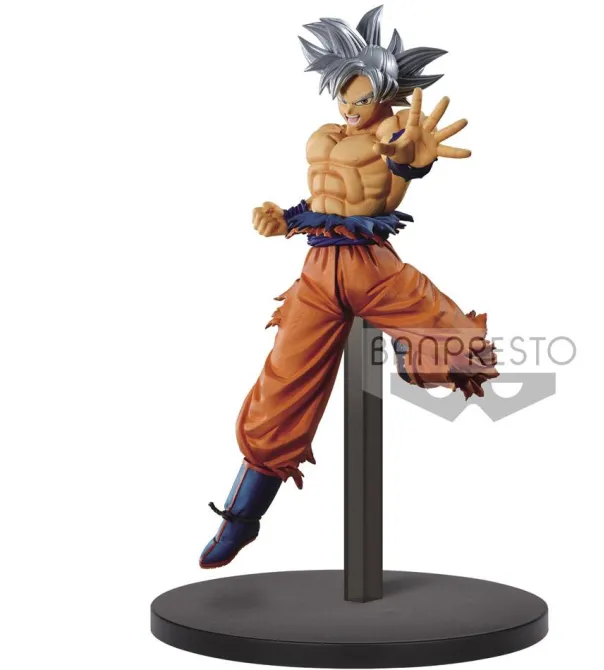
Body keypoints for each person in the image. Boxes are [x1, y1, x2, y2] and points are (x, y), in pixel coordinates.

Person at [199, 6, 498, 569]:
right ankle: (240, 520)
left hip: (372, 266)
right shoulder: (325, 134)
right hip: (319, 268)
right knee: (280, 392)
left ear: (385, 92)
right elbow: (322, 200)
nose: (350, 106)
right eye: (344, 94)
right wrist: (284, 219)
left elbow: (396, 173)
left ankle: (409, 354)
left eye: (362, 97)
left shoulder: (393, 131)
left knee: (459, 346)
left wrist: (411, 168)